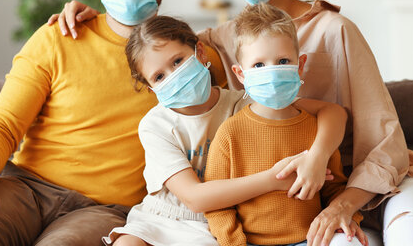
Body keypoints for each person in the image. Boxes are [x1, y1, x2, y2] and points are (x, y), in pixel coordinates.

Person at [0, 0, 343, 246]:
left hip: (106, 209)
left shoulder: (195, 55)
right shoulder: (57, 37)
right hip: (28, 188)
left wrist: (317, 155)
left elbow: (264, 83)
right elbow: (2, 122)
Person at [51, 0, 413, 246]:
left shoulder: (335, 30)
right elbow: (161, 46)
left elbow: (383, 140)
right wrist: (91, 20)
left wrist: (340, 200)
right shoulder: (221, 39)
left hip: (369, 185)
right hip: (290, 199)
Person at [103, 15, 347, 246]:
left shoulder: (245, 103)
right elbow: (194, 197)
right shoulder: (155, 125)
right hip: (162, 216)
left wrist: (317, 156)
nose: (174, 75)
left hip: (213, 222)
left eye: (177, 61)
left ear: (199, 52)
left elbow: (333, 112)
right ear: (150, 88)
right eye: (159, 76)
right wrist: (273, 180)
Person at [204, 3, 366, 246]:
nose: (272, 72)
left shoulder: (315, 128)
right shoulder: (230, 133)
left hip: (310, 240)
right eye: (259, 65)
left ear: (299, 65)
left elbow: (334, 188)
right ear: (240, 74)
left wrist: (345, 215)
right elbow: (218, 206)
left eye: (282, 61)